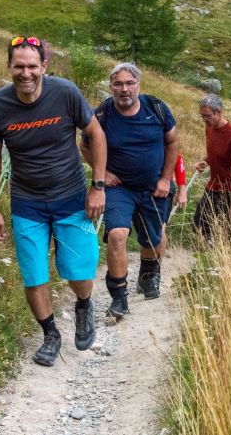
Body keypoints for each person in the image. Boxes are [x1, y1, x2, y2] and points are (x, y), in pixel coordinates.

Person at [0, 36, 107, 367]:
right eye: (19, 66)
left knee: (78, 270)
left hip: (71, 198)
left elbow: (96, 134)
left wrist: (98, 186)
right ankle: (50, 335)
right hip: (27, 203)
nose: (26, 73)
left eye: (32, 66)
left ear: (44, 67)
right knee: (34, 275)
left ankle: (83, 305)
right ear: (9, 66)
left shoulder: (65, 92)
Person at [80, 62, 178, 318]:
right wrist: (103, 174)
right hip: (119, 188)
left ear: (138, 85)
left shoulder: (156, 109)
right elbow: (85, 146)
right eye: (118, 84)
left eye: (129, 83)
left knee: (153, 238)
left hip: (154, 186)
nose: (124, 89)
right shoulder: (101, 114)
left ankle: (148, 275)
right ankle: (119, 296)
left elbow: (172, 141)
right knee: (117, 235)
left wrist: (166, 179)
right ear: (111, 87)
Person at [193, 94, 231, 243]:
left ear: (218, 112)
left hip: (230, 190)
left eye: (207, 116)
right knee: (198, 224)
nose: (204, 120)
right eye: (202, 116)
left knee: (225, 232)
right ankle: (207, 253)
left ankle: (220, 259)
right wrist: (204, 161)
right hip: (213, 186)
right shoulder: (209, 127)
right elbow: (215, 152)